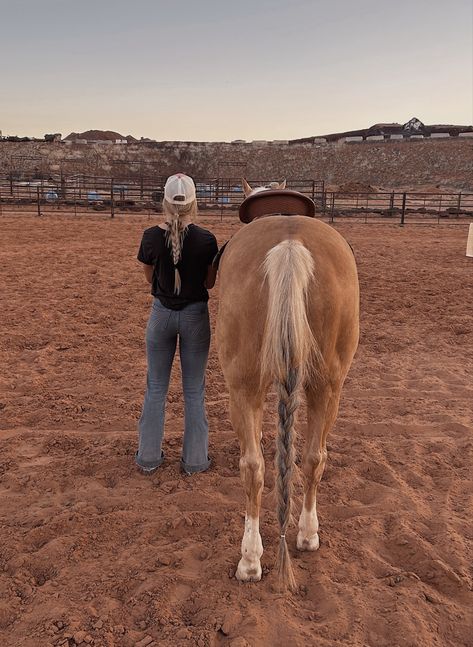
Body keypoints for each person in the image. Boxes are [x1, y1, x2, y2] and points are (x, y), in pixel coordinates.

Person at [136, 173, 218, 475]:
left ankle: (148, 457)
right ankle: (196, 460)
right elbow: (209, 283)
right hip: (195, 315)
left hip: (161, 314)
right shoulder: (207, 239)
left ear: (165, 202)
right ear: (193, 203)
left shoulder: (149, 236)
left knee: (155, 387)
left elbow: (149, 277)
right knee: (194, 390)